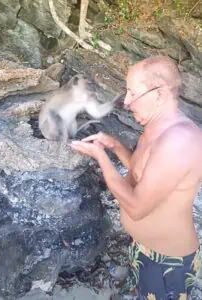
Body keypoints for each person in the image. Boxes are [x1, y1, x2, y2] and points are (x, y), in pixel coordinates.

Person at [70, 55, 202, 299]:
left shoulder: (179, 140)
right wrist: (116, 146)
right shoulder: (156, 128)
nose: (127, 102)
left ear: (159, 93)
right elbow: (142, 173)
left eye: (133, 93)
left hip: (167, 261)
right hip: (143, 247)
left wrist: (101, 158)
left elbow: (137, 207)